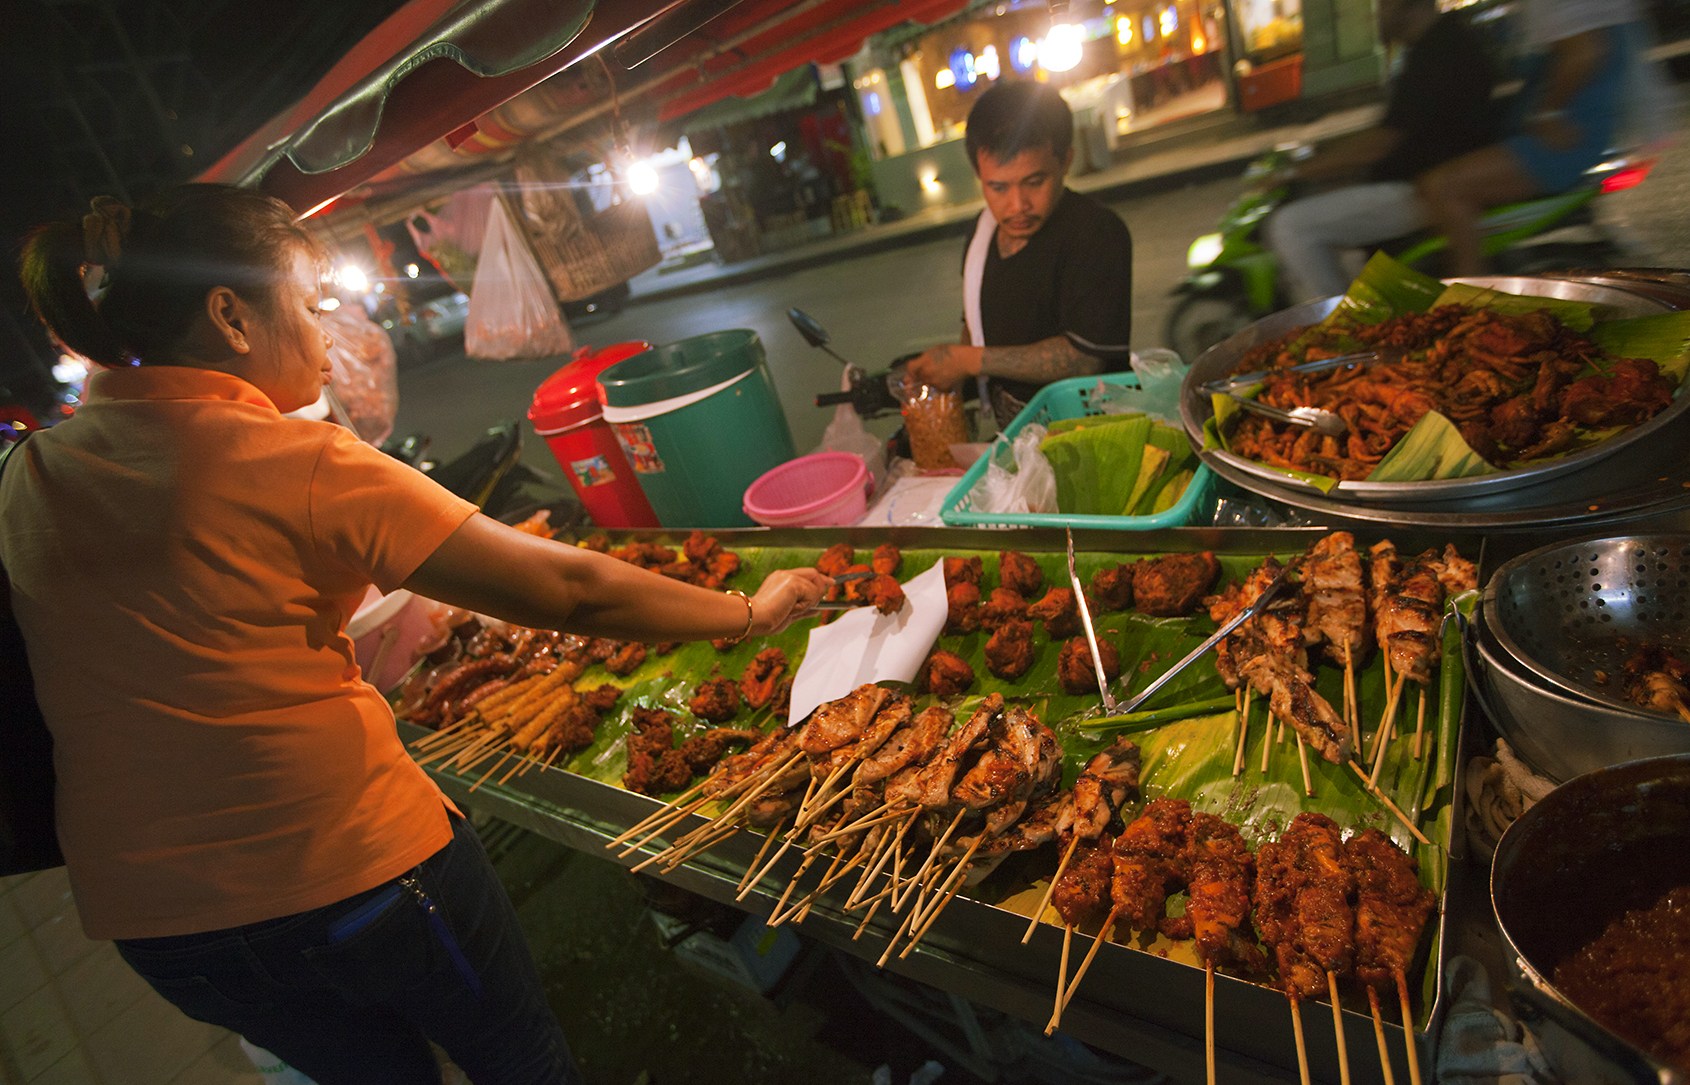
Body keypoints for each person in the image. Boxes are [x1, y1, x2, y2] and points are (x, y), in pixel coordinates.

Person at [3, 185, 831, 1085]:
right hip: (349, 873)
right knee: (522, 1063)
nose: (330, 334)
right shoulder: (296, 461)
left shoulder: (29, 473)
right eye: (312, 305)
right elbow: (568, 588)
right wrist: (752, 610)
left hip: (158, 928)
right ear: (232, 316)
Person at [904, 80, 1134, 429]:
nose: (1017, 205)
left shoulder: (1097, 233)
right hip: (1018, 438)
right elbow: (975, 321)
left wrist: (967, 360)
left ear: (1066, 160)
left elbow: (1084, 359)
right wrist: (947, 369)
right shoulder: (981, 233)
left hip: (1094, 433)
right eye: (997, 187)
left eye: (1034, 181)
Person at [1263, 0, 1498, 301]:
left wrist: (1291, 173)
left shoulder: (1436, 54)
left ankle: (1346, 327)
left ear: (1403, 6)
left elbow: (1379, 144)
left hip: (1419, 187)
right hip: (1420, 176)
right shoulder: (1436, 43)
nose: (1376, 17)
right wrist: (1321, 153)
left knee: (1289, 226)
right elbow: (1392, 127)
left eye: (1382, 6)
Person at [1418, 0, 1650, 276]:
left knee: (1444, 188)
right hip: (1568, 131)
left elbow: (1584, 53)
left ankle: (1468, 289)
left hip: (1562, 138)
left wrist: (1548, 113)